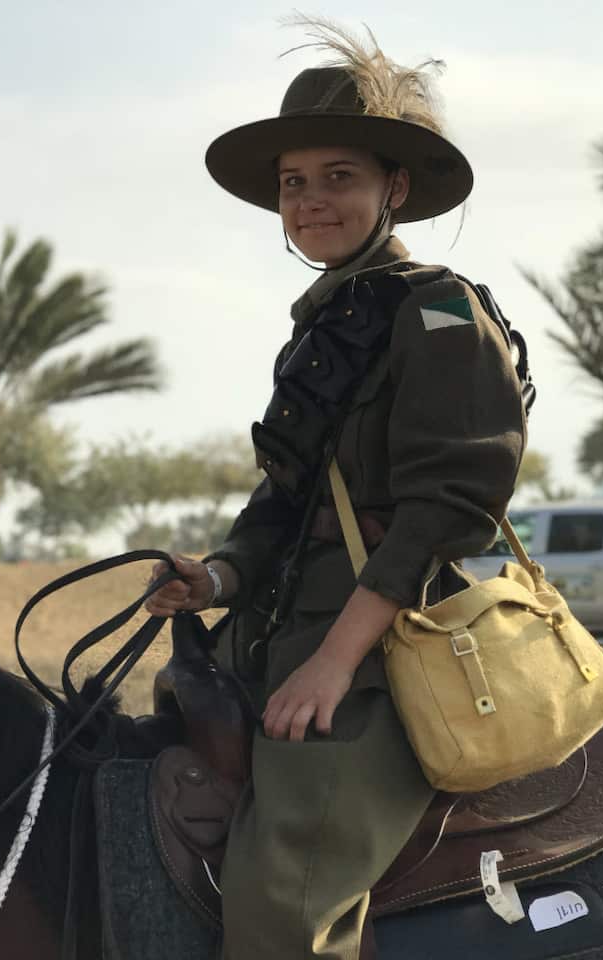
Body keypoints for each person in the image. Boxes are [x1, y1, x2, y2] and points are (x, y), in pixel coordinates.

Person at [144, 18, 527, 960]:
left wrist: (334, 662)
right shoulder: (327, 323)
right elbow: (286, 497)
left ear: (395, 188)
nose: (311, 202)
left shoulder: (438, 311)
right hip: (278, 622)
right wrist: (220, 578)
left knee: (284, 906)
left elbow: (452, 504)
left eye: (338, 177)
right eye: (293, 184)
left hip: (386, 646)